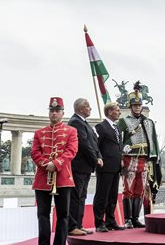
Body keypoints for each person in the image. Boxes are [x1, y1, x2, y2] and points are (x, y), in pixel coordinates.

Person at [31, 97, 78, 245]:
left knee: (63, 215)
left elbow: (72, 151)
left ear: (63, 113)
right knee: (43, 215)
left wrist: (56, 163)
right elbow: (35, 152)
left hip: (63, 178)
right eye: (51, 110)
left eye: (57, 111)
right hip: (42, 178)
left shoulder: (71, 131)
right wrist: (46, 164)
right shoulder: (39, 132)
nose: (54, 113)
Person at [119, 84, 161, 229]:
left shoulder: (148, 122)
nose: (137, 108)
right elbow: (118, 138)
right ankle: (128, 219)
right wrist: (121, 147)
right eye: (134, 105)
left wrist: (154, 157)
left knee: (140, 189)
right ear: (130, 107)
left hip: (144, 158)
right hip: (129, 158)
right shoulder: (123, 121)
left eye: (139, 105)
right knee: (128, 189)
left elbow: (153, 140)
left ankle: (136, 218)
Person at [67, 98, 103, 236]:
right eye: (88, 106)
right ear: (81, 108)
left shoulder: (84, 122)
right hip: (78, 166)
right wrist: (95, 159)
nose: (90, 108)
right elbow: (84, 143)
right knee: (76, 196)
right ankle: (72, 226)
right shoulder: (75, 122)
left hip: (85, 166)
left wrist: (99, 156)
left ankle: (78, 225)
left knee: (81, 196)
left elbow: (94, 142)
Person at [93, 102, 125, 232]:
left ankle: (111, 221)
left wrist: (121, 158)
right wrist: (98, 158)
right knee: (102, 195)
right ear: (110, 112)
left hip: (116, 167)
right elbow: (96, 145)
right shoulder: (100, 127)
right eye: (117, 110)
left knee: (112, 196)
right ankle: (99, 222)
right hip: (105, 167)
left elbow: (118, 145)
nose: (119, 112)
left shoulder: (116, 128)